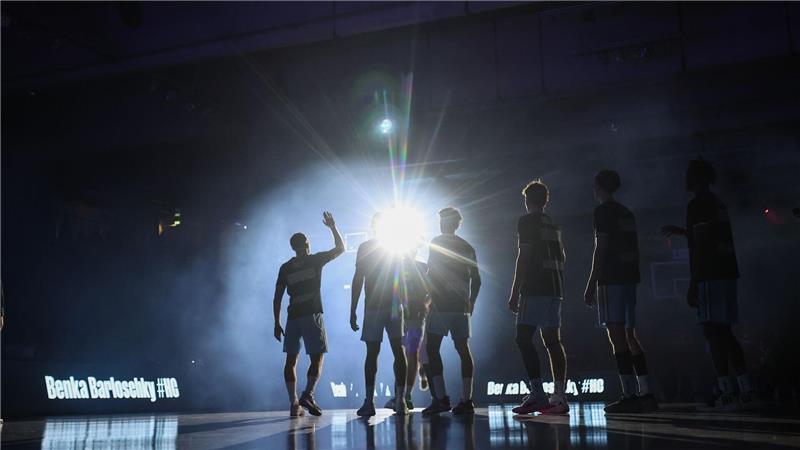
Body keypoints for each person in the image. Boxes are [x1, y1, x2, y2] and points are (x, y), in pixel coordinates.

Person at [662, 159, 756, 411]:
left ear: (693, 179)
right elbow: (707, 234)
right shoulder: (717, 203)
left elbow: (703, 244)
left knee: (712, 332)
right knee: (724, 330)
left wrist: (693, 282)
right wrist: (684, 232)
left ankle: (726, 390)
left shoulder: (697, 204)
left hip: (710, 275)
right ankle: (745, 388)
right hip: (726, 272)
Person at [583, 170, 657, 413]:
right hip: (629, 278)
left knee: (617, 337)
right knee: (630, 335)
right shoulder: (626, 212)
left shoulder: (602, 212)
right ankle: (646, 392)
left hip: (612, 279)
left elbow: (600, 249)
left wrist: (591, 281)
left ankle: (629, 395)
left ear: (600, 186)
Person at [273, 212, 345, 417]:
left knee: (290, 360)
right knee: (317, 357)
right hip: (312, 314)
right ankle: (308, 394)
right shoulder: (315, 260)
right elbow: (341, 248)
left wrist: (276, 322)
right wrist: (332, 227)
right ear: (307, 244)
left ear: (292, 247)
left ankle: (294, 404)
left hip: (292, 317)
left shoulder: (285, 268)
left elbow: (277, 297)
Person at [508, 180, 570, 415]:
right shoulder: (554, 224)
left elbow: (523, 257)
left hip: (534, 288)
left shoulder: (526, 221)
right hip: (555, 288)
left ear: (527, 201)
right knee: (553, 342)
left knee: (523, 338)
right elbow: (562, 256)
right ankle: (560, 396)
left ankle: (538, 394)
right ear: (545, 200)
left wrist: (514, 292)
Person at [422, 207, 481, 415]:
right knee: (463, 349)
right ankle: (467, 400)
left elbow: (431, 273)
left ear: (444, 223)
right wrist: (471, 302)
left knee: (431, 349)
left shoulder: (437, 241)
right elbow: (478, 280)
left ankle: (441, 398)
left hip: (441, 304)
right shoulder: (468, 247)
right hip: (461, 307)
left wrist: (427, 297)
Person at [351, 213, 409, 417]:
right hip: (393, 306)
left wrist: (353, 309)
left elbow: (358, 279)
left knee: (372, 353)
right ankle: (400, 400)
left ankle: (369, 402)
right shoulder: (394, 246)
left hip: (374, 306)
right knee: (398, 351)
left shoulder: (366, 247)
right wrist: (405, 306)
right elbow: (401, 278)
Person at [385, 248, 430, 412]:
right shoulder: (400, 268)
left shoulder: (422, 268)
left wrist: (424, 306)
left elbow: (431, 291)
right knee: (405, 356)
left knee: (409, 355)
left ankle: (405, 396)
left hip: (413, 317)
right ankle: (402, 395)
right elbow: (394, 292)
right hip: (404, 317)